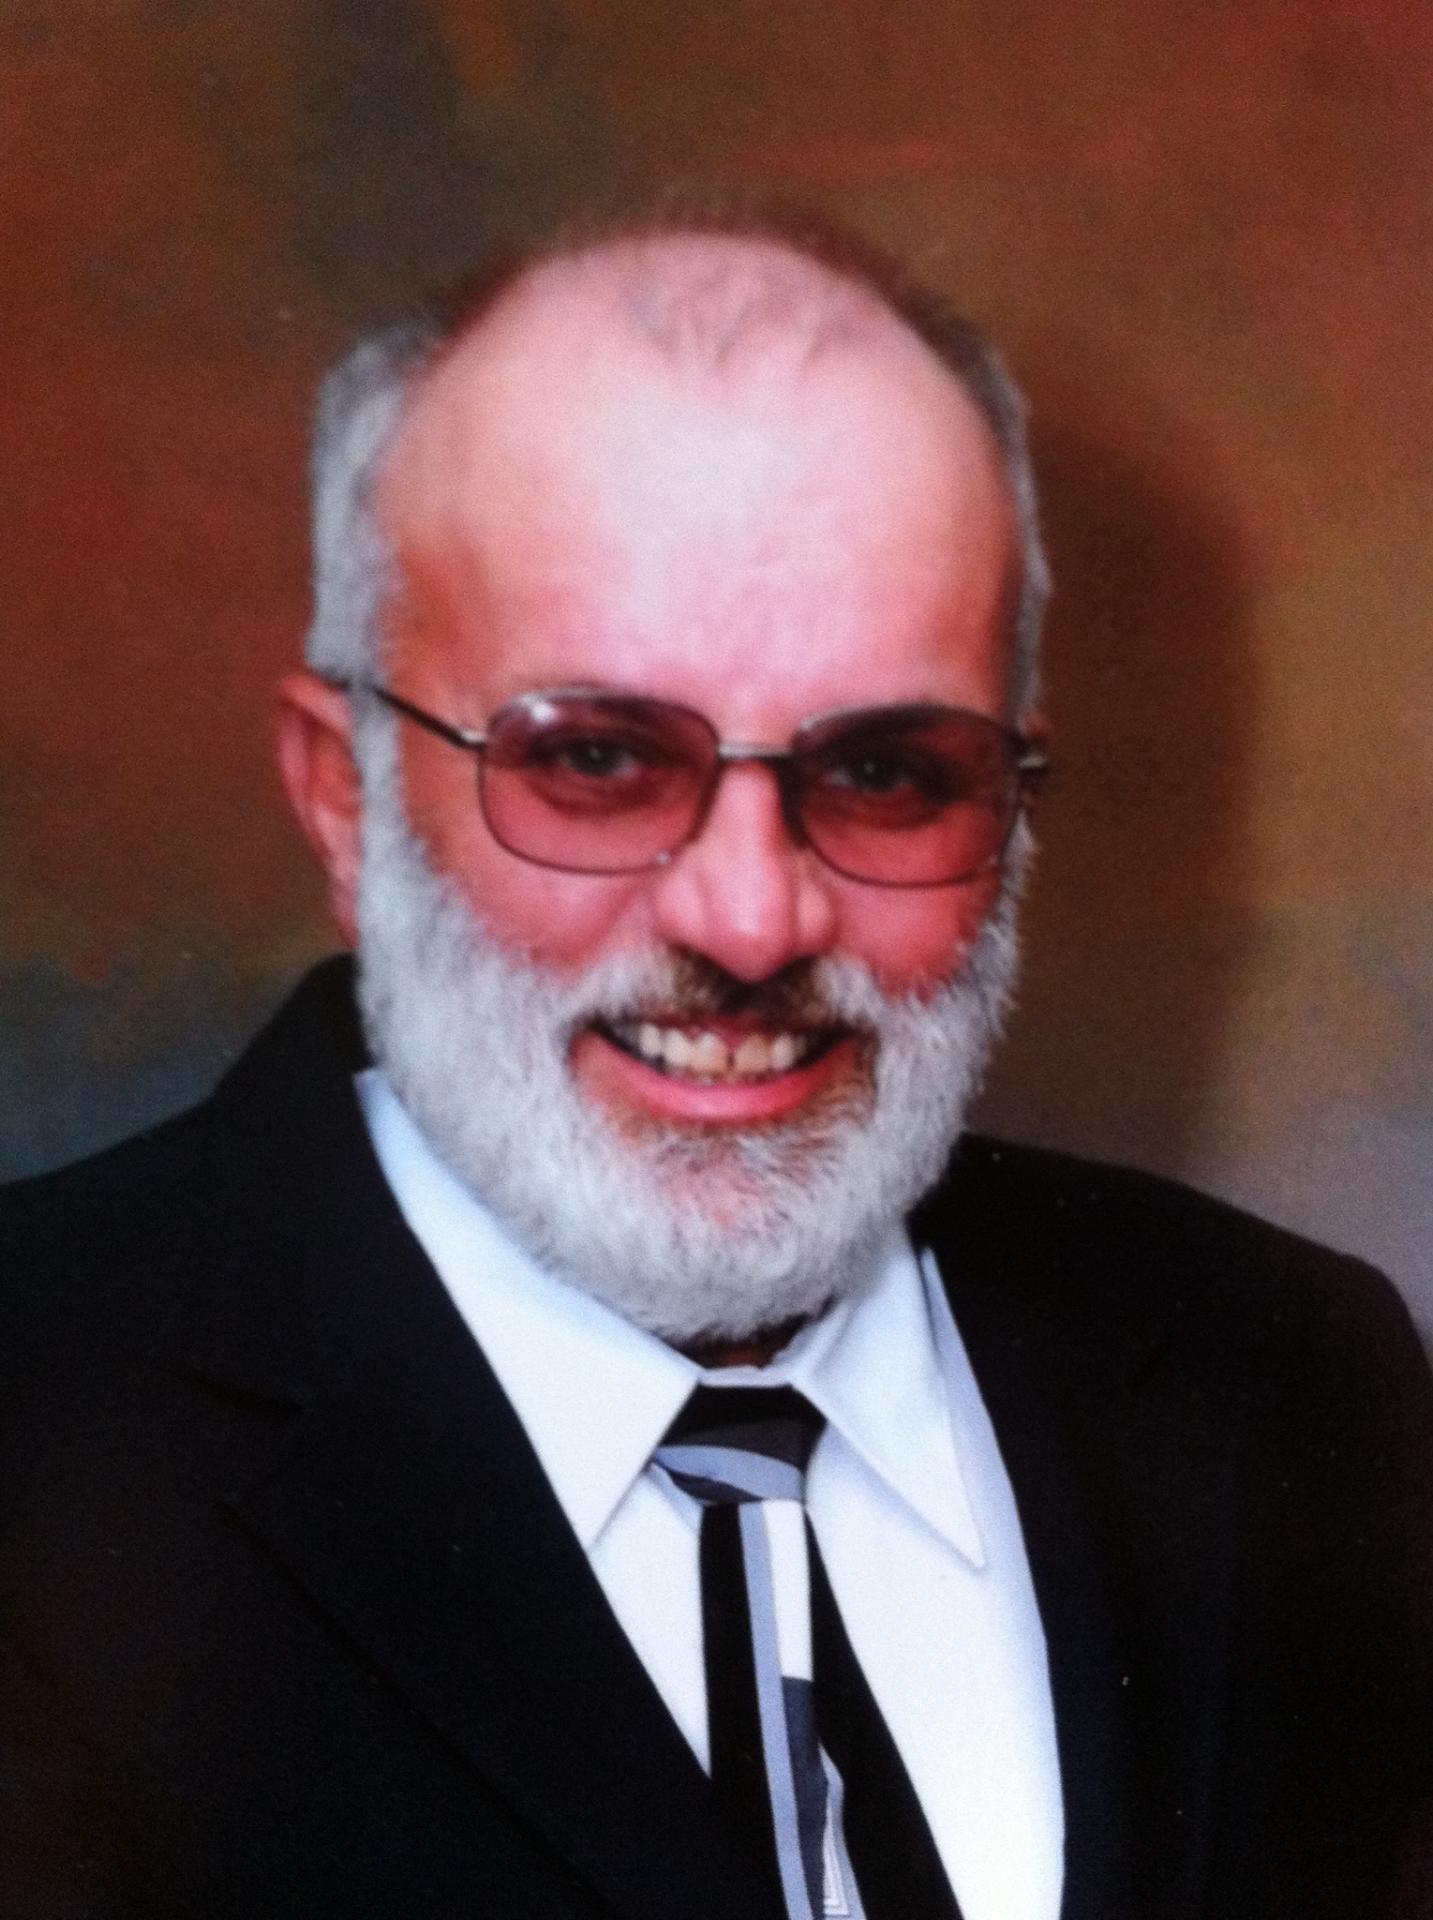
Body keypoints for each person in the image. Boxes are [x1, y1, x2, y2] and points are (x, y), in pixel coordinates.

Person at [2, 203, 1429, 1920]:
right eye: (596, 759)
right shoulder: (40, 1427)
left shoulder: (1291, 1381)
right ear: (343, 796)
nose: (750, 922)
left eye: (886, 773)